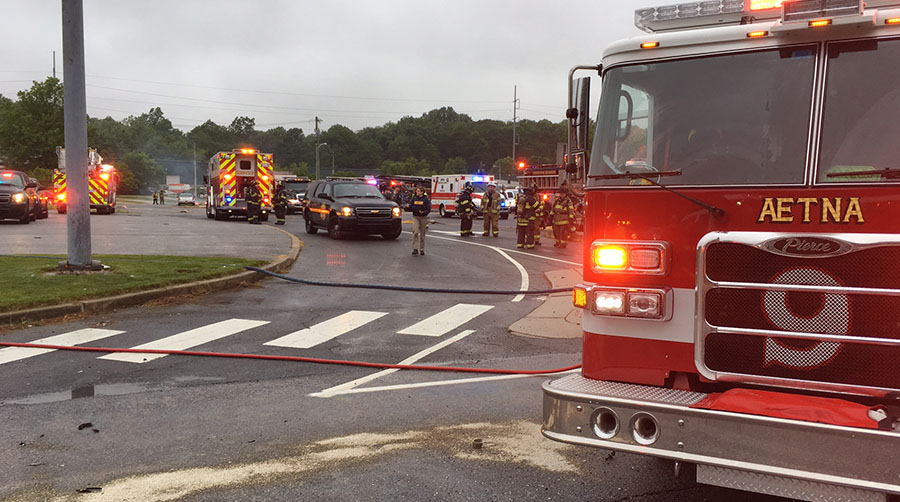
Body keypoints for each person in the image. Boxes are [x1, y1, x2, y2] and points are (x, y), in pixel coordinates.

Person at [409, 185, 431, 255]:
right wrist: (408, 207)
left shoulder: (426, 200)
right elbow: (411, 206)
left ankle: (422, 249)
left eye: (418, 191)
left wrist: (424, 212)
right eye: (416, 191)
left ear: (422, 192)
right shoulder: (414, 199)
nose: (416, 192)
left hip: (423, 218)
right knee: (415, 232)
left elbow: (428, 209)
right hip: (415, 217)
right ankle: (415, 248)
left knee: (422, 234)